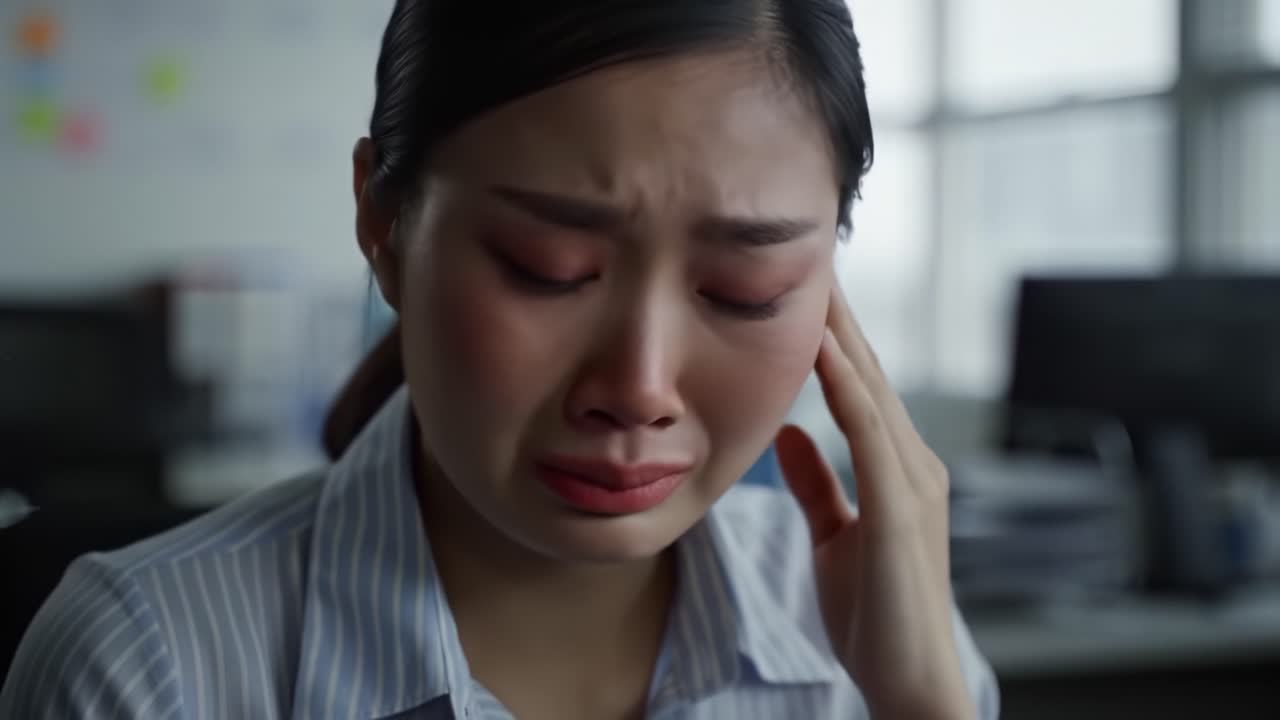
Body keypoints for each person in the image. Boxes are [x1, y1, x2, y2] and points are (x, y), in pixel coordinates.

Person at [1, 1, 999, 717]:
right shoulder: (150, 666)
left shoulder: (881, 637)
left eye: (745, 290)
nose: (638, 389)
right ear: (384, 225)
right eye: (546, 269)